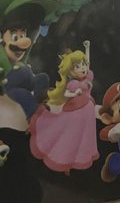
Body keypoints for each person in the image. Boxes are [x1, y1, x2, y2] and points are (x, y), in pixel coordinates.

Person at [29, 44, 99, 173]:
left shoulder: (87, 76)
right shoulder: (73, 84)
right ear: (70, 71)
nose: (83, 68)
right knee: (70, 137)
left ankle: (76, 159)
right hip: (74, 114)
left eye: (83, 65)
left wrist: (87, 48)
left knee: (83, 138)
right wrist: (75, 93)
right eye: (77, 67)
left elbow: (87, 62)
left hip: (86, 114)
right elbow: (66, 93)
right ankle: (64, 161)